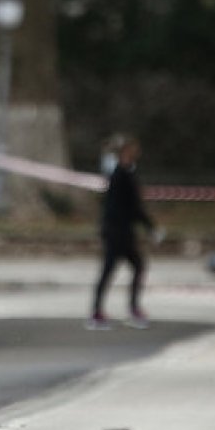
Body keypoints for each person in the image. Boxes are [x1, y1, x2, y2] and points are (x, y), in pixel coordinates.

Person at [88, 134, 154, 329]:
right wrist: (150, 227)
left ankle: (105, 310)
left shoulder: (124, 173)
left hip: (118, 229)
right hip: (118, 231)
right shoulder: (121, 175)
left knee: (129, 267)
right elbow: (132, 206)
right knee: (118, 268)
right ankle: (110, 311)